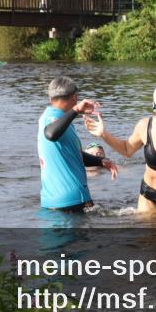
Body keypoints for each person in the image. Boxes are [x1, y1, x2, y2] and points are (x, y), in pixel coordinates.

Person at [84, 82, 156, 216]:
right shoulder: (145, 127)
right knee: (148, 235)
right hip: (150, 195)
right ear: (154, 108)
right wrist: (104, 134)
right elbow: (127, 150)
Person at [38, 76, 118, 212]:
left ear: (50, 98)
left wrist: (101, 161)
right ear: (74, 97)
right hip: (71, 202)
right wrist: (75, 110)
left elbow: (74, 154)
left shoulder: (58, 119)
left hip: (53, 201)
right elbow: (50, 134)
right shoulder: (52, 118)